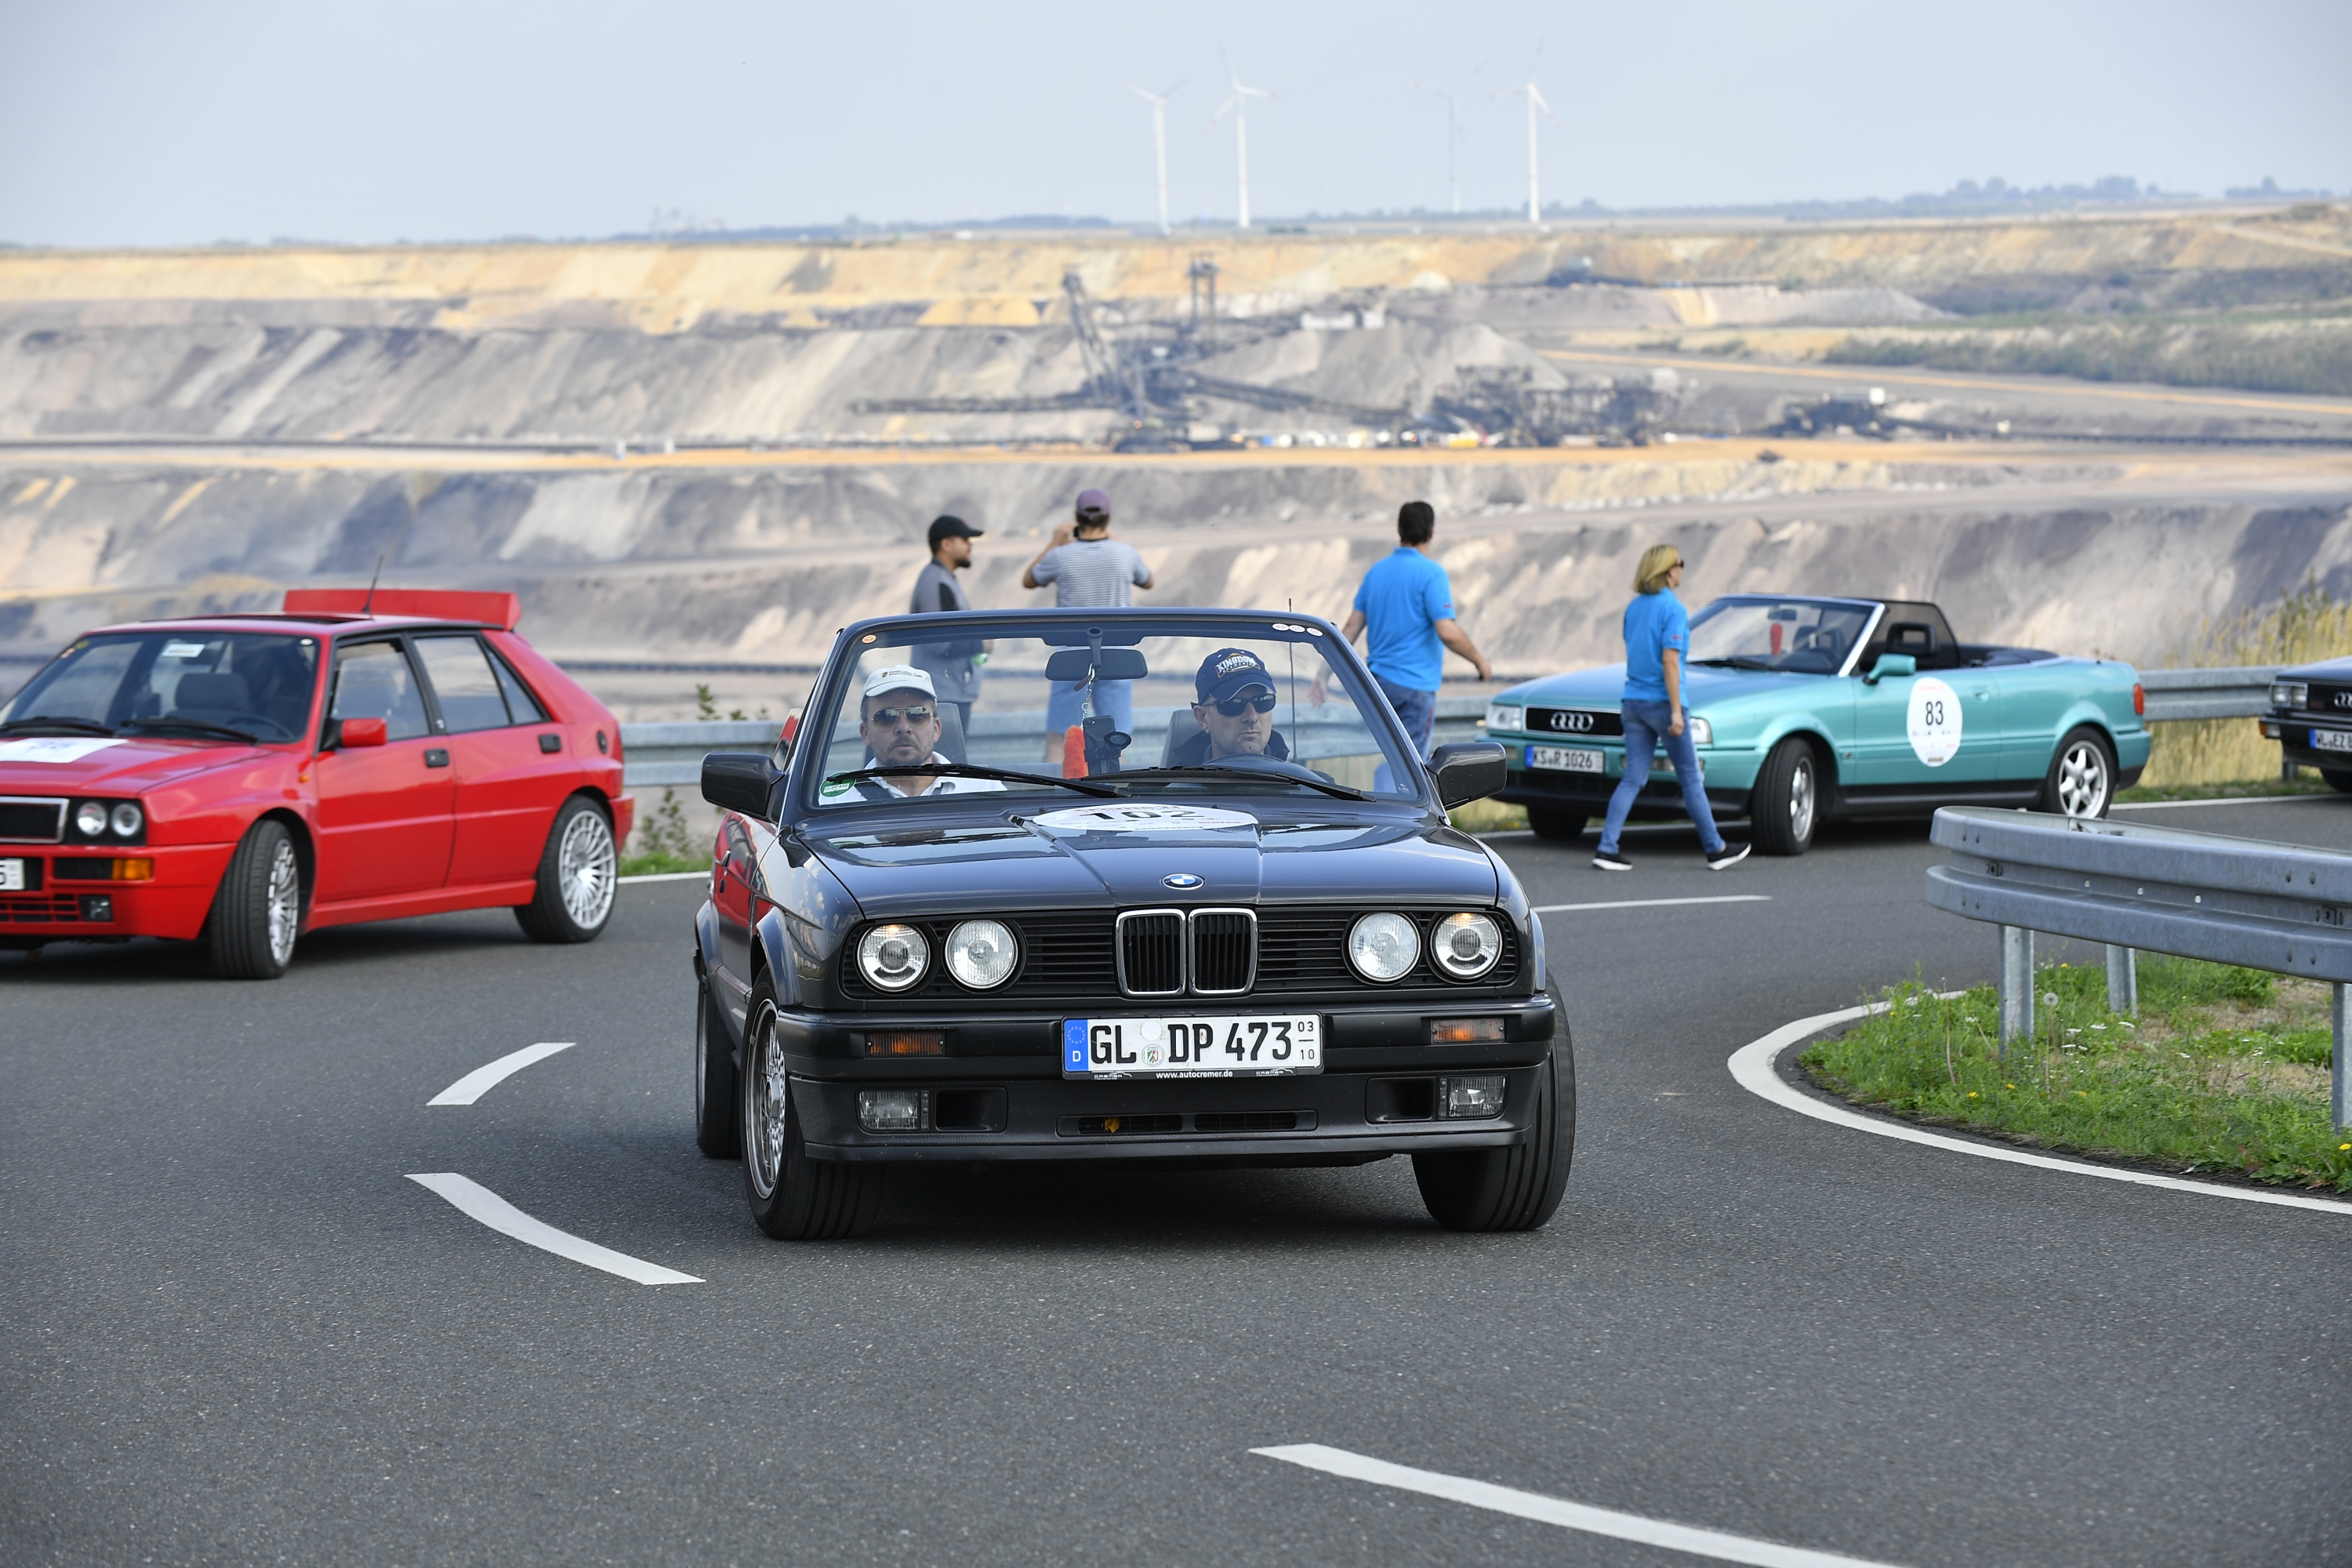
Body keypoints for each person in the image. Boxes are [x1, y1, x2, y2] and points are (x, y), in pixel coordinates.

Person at [1592, 546, 1748, 872]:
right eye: (1680, 563)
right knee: (1690, 777)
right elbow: (1669, 661)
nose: (1682, 569)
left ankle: (1607, 847)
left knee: (1633, 778)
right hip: (1662, 704)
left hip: (1632, 701)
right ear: (1668, 570)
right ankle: (1716, 849)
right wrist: (1676, 711)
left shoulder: (1634, 608)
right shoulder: (1673, 609)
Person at [1334, 500, 1491, 759]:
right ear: (1431, 532)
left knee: (1382, 759)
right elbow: (1447, 631)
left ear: (1399, 529)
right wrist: (1480, 662)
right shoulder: (1432, 574)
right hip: (1414, 689)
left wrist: (1322, 676)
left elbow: (1351, 628)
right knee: (1409, 769)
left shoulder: (1376, 572)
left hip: (1377, 688)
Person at [1022, 488, 1154, 760]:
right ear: (1109, 518)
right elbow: (1148, 581)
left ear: (1076, 517)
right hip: (1117, 655)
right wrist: (1114, 540)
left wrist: (1054, 543)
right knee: (1117, 741)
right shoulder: (1125, 554)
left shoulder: (1060, 556)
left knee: (1060, 739)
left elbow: (1029, 580)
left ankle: (1051, 786)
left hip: (1072, 656)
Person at [817, 666, 1006, 803]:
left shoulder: (985, 791)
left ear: (936, 729)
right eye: (887, 716)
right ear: (865, 733)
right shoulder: (836, 800)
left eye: (917, 714)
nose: (903, 727)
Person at [909, 514, 988, 735]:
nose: (970, 545)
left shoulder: (943, 579)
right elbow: (936, 643)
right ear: (946, 544)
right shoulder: (936, 582)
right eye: (965, 539)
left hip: (950, 693)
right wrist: (980, 644)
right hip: (942, 697)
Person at [1167, 648, 1294, 767]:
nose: (1252, 717)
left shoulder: (1297, 779)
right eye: (1234, 705)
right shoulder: (1181, 782)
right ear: (1203, 718)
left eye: (1263, 701)